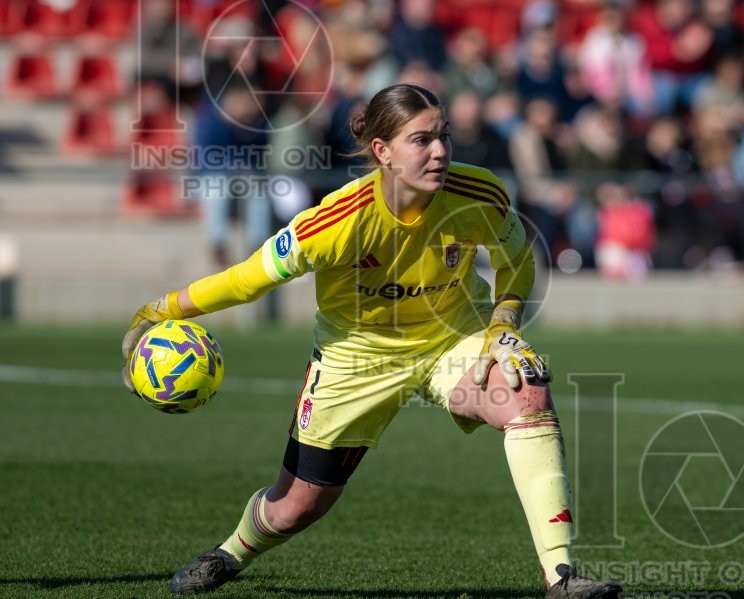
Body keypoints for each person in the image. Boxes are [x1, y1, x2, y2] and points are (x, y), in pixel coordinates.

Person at [120, 83, 623, 599]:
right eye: (421, 140)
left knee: (527, 388)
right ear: (382, 151)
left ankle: (562, 577)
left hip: (453, 339)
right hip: (355, 357)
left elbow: (518, 260)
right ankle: (230, 552)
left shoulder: (480, 194)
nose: (441, 151)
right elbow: (247, 279)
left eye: (443, 136)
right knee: (295, 508)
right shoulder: (334, 221)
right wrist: (158, 309)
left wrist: (504, 326)